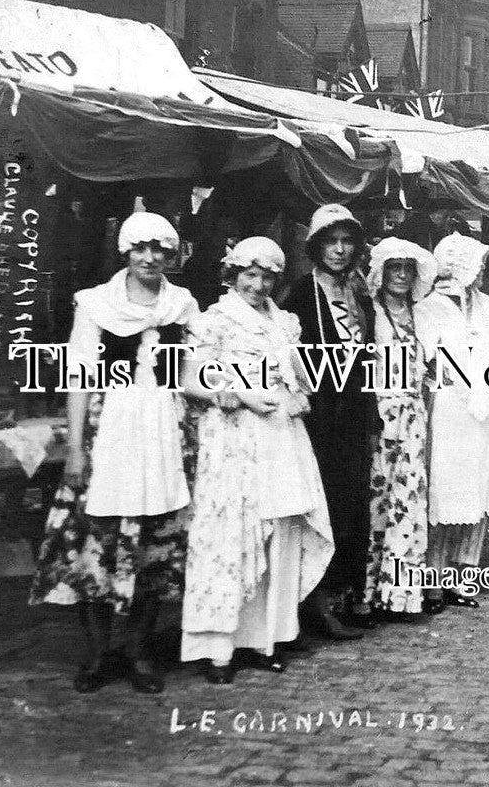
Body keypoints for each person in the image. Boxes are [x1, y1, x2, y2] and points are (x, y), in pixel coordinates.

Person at [30, 212, 198, 693]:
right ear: (126, 251)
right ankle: (98, 652)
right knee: (95, 542)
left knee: (156, 543)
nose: (150, 258)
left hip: (163, 430)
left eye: (160, 250)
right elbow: (79, 379)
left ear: (171, 255)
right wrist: (77, 450)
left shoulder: (182, 304)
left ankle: (139, 649)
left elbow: (188, 374)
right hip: (111, 431)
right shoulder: (97, 304)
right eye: (141, 248)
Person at [179, 238, 333, 684]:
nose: (258, 284)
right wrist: (240, 395)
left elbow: (299, 376)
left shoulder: (285, 323)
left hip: (281, 435)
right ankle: (217, 650)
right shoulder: (215, 320)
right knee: (232, 536)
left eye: (267, 277)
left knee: (280, 532)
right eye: (250, 274)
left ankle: (267, 638)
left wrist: (298, 394)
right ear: (233, 274)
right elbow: (191, 380)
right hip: (234, 439)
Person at [281, 204, 376, 640]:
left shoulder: (359, 292)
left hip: (355, 414)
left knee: (352, 506)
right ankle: (311, 603)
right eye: (330, 242)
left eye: (346, 241)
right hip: (320, 418)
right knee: (322, 505)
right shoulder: (300, 295)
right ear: (316, 247)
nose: (339, 250)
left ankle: (340, 596)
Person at [415, 233, 489, 611]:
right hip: (449, 409)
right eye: (478, 264)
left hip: (486, 412)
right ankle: (434, 579)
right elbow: (425, 361)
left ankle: (464, 574)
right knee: (444, 491)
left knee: (477, 489)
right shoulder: (428, 308)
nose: (482, 271)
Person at [363, 238, 438, 619]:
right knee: (378, 503)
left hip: (413, 416)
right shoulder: (371, 314)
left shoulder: (420, 315)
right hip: (382, 414)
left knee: (407, 501)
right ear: (382, 273)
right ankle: (369, 593)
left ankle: (402, 594)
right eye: (395, 268)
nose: (402, 275)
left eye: (408, 269)